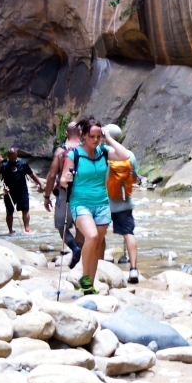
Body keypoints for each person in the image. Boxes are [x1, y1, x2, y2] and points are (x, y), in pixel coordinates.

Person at [58, 117, 132, 295]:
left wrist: (109, 138)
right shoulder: (73, 155)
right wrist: (66, 180)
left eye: (98, 136)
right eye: (92, 136)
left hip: (102, 204)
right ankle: (84, 276)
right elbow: (62, 179)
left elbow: (125, 155)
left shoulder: (104, 152)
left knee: (98, 244)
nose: (95, 140)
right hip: (80, 203)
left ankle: (88, 285)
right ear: (83, 135)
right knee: (91, 237)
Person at [103, 124, 141, 284]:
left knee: (99, 234)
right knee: (128, 233)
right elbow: (134, 177)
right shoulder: (129, 155)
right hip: (124, 201)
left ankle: (100, 266)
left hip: (104, 202)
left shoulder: (102, 153)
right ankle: (133, 269)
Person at [44, 120, 82, 267]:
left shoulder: (61, 152)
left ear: (67, 133)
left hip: (65, 192)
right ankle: (79, 259)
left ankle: (74, 248)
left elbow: (52, 175)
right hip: (83, 193)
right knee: (81, 226)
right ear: (80, 133)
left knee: (62, 226)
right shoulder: (87, 149)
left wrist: (47, 196)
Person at [0, 147, 44, 235]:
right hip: (8, 192)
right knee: (9, 212)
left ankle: (27, 229)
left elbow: (32, 174)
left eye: (14, 156)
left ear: (17, 155)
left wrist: (40, 183)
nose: (13, 158)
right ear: (8, 156)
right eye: (11, 157)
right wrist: (2, 189)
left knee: (25, 209)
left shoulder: (23, 164)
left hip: (22, 191)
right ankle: (10, 230)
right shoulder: (4, 166)